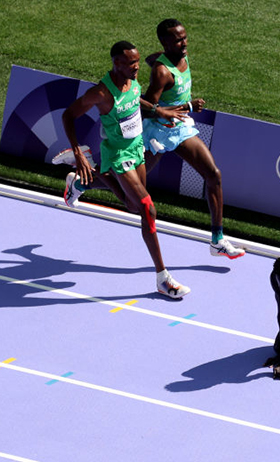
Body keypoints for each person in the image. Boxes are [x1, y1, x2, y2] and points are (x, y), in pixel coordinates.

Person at [64, 20, 245, 261]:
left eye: (184, 37)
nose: (185, 43)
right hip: (155, 133)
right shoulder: (160, 72)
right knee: (132, 199)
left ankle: (218, 240)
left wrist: (181, 107)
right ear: (166, 43)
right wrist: (180, 107)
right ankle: (81, 183)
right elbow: (145, 107)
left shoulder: (177, 56)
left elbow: (153, 60)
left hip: (178, 127)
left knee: (213, 174)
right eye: (179, 40)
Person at [62, 40, 191, 299]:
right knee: (147, 208)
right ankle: (163, 278)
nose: (136, 67)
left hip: (136, 147)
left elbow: (136, 100)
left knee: (132, 206)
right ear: (117, 63)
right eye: (132, 63)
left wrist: (159, 110)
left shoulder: (132, 83)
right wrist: (77, 150)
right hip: (119, 154)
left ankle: (81, 182)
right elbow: (68, 115)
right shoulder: (100, 93)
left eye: (137, 61)